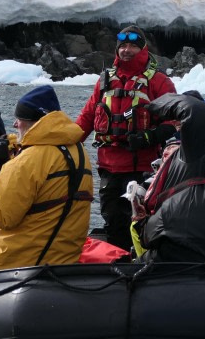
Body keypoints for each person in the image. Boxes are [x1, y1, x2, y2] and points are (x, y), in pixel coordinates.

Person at [0, 85, 94, 273]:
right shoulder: (79, 153)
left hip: (20, 257)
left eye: (19, 119)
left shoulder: (27, 161)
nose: (15, 125)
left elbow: (3, 218)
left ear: (34, 123)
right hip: (63, 256)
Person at [75, 25, 177, 251]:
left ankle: (143, 264)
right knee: (113, 221)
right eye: (123, 46)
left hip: (142, 167)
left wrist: (149, 137)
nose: (126, 50)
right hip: (109, 168)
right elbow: (87, 117)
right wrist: (65, 144)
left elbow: (175, 120)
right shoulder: (104, 81)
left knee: (143, 221)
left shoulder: (159, 82)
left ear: (142, 50)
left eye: (132, 46)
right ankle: (118, 265)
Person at [135, 94, 205, 264]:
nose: (178, 128)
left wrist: (152, 105)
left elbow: (197, 111)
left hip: (185, 250)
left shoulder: (196, 154)